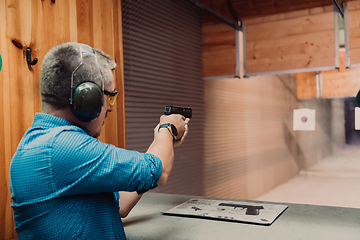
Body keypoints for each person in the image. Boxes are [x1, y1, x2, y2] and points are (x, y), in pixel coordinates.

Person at [9, 42, 189, 239]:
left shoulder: (45, 142)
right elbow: (159, 170)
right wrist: (168, 129)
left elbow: (119, 203)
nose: (110, 108)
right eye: (110, 97)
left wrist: (163, 142)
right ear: (87, 98)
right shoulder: (61, 146)